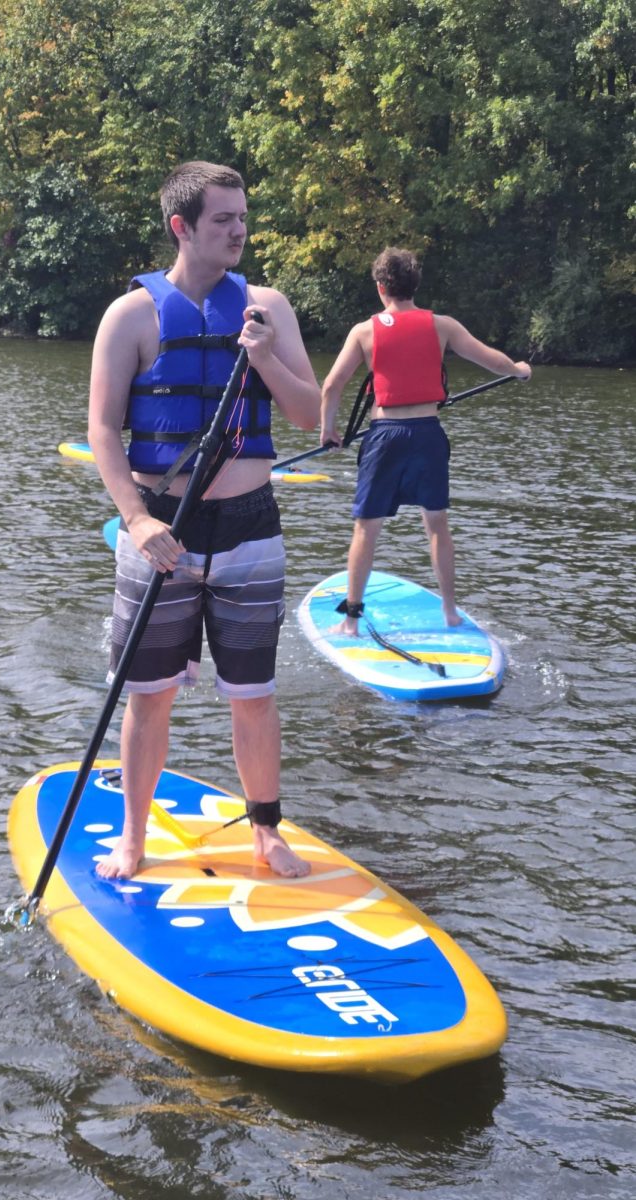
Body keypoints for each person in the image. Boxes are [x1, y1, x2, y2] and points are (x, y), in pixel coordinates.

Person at [88, 161, 320, 880]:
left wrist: (264, 358)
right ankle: (132, 837)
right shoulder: (131, 316)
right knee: (148, 694)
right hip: (161, 530)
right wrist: (134, 519)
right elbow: (101, 430)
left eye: (244, 217)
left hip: (250, 529)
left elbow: (312, 416)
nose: (239, 230)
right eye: (223, 219)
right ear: (181, 227)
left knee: (253, 697)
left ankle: (266, 831)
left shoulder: (267, 309)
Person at [320, 246, 531, 635]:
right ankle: (450, 612)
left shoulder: (364, 331)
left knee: (367, 527)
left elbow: (332, 386)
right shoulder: (443, 325)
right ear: (414, 286)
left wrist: (328, 431)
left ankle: (350, 620)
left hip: (385, 436)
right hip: (427, 436)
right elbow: (491, 360)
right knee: (437, 524)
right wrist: (518, 370)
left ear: (381, 287)